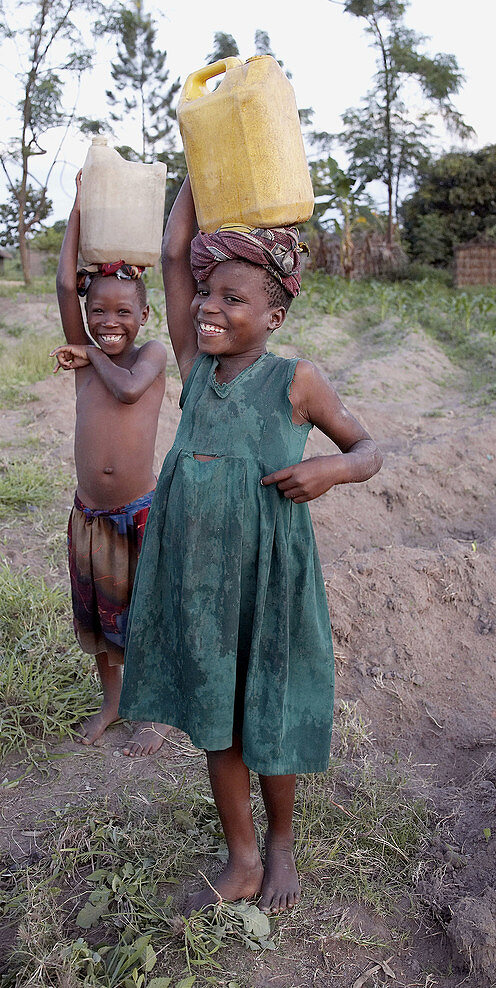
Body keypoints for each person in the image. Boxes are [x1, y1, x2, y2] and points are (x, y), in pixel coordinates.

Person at [118, 177, 382, 912]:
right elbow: (174, 254)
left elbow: (368, 449)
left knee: (269, 705)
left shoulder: (296, 382)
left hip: (269, 577)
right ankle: (238, 855)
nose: (210, 307)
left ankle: (280, 843)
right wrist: (201, 169)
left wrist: (330, 468)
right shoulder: (196, 369)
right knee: (216, 714)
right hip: (198, 578)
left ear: (274, 313)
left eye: (234, 299)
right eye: (208, 294)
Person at [51, 170, 171, 758]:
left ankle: (154, 711)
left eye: (123, 311)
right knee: (100, 621)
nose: (107, 322)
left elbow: (125, 390)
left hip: (137, 514)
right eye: (97, 311)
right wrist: (79, 208)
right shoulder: (89, 354)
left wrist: (89, 356)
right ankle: (113, 700)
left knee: (144, 616)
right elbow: (59, 282)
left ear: (142, 316)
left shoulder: (152, 355)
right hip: (89, 516)